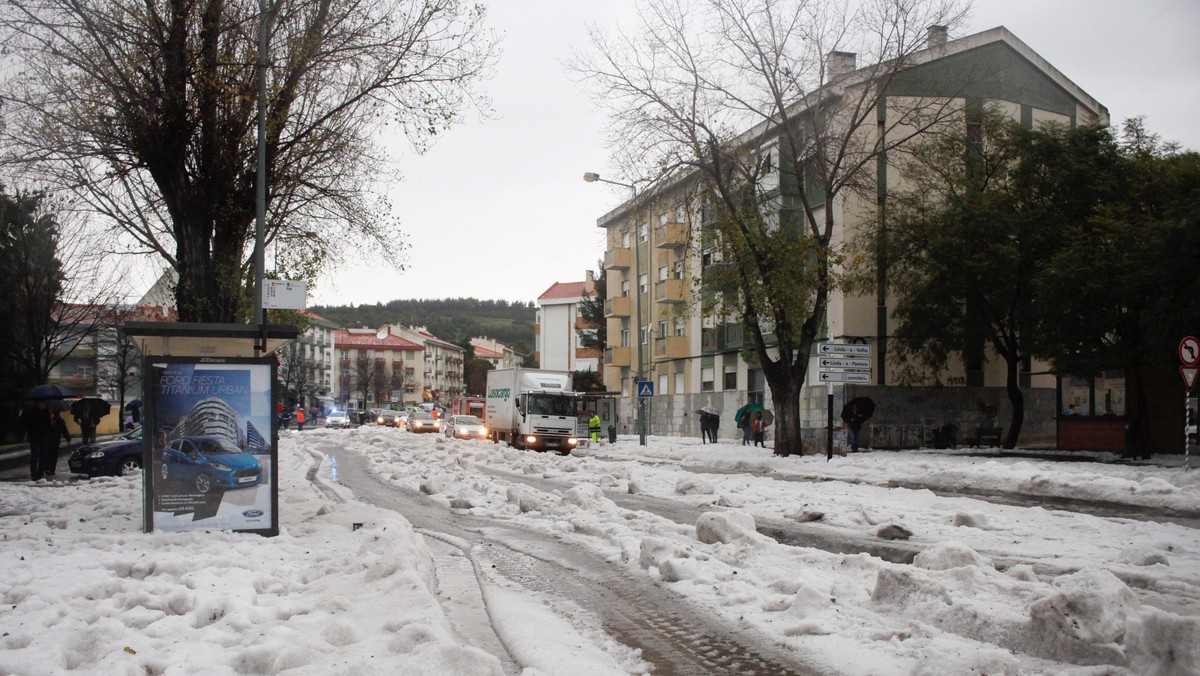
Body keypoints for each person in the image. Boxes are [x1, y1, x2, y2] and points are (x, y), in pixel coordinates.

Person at [20, 401, 53, 480]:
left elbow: (48, 424)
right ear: (37, 403)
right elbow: (26, 423)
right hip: (34, 436)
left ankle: (40, 473)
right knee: (34, 455)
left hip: (44, 436)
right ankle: (34, 474)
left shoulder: (46, 412)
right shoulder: (31, 412)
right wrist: (34, 430)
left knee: (44, 455)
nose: (44, 404)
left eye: (44, 403)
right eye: (42, 403)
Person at [43, 410, 71, 477]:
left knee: (53, 456)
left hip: (55, 441)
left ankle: (51, 469)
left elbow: (64, 430)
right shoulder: (47, 421)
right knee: (49, 455)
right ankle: (48, 468)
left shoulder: (60, 421)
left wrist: (68, 438)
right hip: (48, 441)